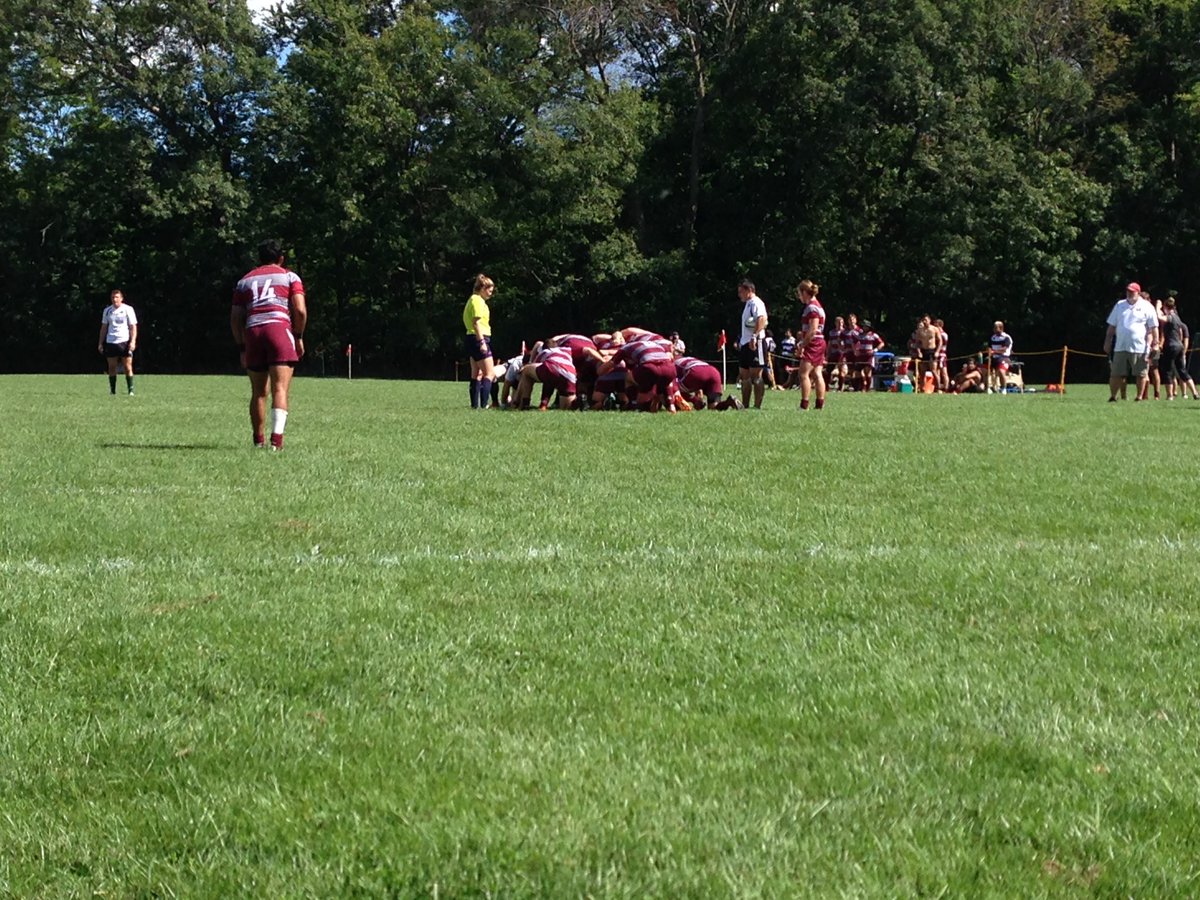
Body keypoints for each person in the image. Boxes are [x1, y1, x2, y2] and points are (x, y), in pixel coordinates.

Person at [231, 239, 307, 450]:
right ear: (281, 258)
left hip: (253, 331)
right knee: (280, 388)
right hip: (278, 330)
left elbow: (235, 317)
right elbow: (299, 310)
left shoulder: (244, 281)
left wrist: (241, 347)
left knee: (258, 392)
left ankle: (258, 441)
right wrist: (298, 336)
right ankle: (277, 442)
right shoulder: (289, 276)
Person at [1104, 282, 1158, 402]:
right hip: (1120, 346)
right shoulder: (1120, 305)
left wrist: (1156, 343)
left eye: (1132, 291)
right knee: (1116, 373)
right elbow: (1112, 325)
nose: (1129, 293)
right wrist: (1107, 341)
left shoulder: (1147, 306)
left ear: (1138, 292)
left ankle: (1139, 397)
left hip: (1140, 346)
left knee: (1141, 373)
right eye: (1128, 291)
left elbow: (1154, 327)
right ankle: (1113, 396)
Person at [463, 274, 496, 409]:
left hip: (471, 338)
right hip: (478, 338)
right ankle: (484, 405)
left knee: (476, 373)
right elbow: (476, 322)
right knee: (490, 373)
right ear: (482, 288)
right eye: (489, 290)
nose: (490, 293)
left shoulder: (473, 299)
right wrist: (482, 342)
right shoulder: (477, 300)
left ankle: (474, 406)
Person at [98, 289, 138, 395]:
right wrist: (100, 343)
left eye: (116, 297)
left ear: (121, 298)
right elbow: (104, 327)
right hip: (111, 341)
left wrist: (133, 341)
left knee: (127, 366)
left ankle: (131, 390)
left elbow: (133, 326)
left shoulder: (128, 309)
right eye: (113, 297)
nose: (114, 299)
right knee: (111, 367)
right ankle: (112, 391)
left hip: (124, 341)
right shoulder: (107, 311)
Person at [736, 279, 768, 408]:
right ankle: (745, 405)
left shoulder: (756, 302)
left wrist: (754, 336)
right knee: (744, 375)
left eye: (741, 292)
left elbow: (761, 319)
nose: (739, 295)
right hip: (745, 343)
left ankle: (757, 406)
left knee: (756, 376)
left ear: (749, 290)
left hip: (756, 343)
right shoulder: (748, 304)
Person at [795, 280, 827, 410]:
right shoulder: (817, 306)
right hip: (819, 342)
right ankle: (819, 404)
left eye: (799, 293)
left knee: (803, 373)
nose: (799, 296)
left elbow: (813, 329)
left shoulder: (812, 307)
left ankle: (804, 405)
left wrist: (802, 344)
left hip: (814, 343)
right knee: (817, 373)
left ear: (804, 292)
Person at [1157, 296, 1189, 400]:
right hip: (1179, 347)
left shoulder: (1170, 317)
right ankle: (1191, 393)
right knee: (1181, 371)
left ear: (1166, 307)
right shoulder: (1178, 320)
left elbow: (1160, 317)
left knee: (1169, 371)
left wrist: (1157, 306)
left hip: (1172, 347)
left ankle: (1171, 395)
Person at [854, 320, 884, 391]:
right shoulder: (859, 335)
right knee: (857, 372)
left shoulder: (873, 335)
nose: (864, 328)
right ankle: (860, 387)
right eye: (863, 326)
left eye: (866, 326)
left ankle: (867, 389)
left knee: (868, 372)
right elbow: (854, 342)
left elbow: (882, 343)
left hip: (869, 356)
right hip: (861, 355)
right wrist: (856, 350)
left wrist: (875, 350)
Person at [986, 321, 1013, 392]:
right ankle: (989, 388)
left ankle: (1003, 388)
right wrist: (989, 351)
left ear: (1000, 328)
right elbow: (989, 346)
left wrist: (994, 351)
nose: (994, 329)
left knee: (1001, 371)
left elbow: (1004, 349)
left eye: (995, 327)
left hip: (1004, 357)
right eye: (994, 327)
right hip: (993, 358)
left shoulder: (1006, 337)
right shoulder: (992, 337)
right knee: (985, 371)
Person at [914, 315, 939, 387]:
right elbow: (917, 342)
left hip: (932, 351)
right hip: (923, 351)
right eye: (923, 320)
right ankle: (922, 388)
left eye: (926, 320)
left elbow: (940, 341)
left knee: (933, 370)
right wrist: (919, 352)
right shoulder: (920, 331)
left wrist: (937, 351)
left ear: (929, 320)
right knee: (922, 371)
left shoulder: (934, 329)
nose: (925, 322)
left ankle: (938, 388)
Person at [934, 319, 950, 392]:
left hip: (941, 355)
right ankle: (938, 387)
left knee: (943, 372)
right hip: (936, 355)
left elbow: (941, 344)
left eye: (936, 324)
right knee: (936, 371)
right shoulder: (936, 334)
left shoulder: (943, 334)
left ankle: (946, 387)